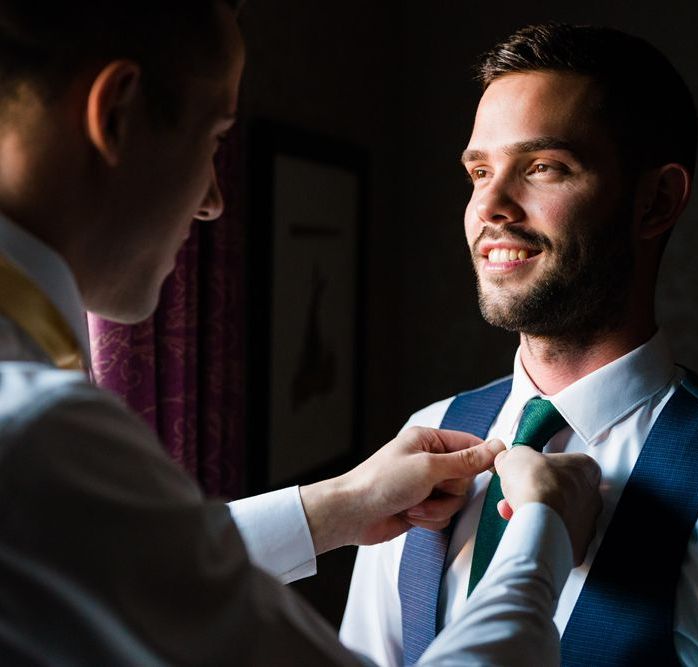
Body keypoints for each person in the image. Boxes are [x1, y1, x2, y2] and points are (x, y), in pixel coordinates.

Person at [0, 2, 604, 664]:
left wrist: (334, 508)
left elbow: (95, 556)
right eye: (214, 139)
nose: (213, 200)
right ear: (115, 113)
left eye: (542, 166)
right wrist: (537, 542)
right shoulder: (36, 430)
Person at [340, 22, 698, 667]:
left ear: (656, 201)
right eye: (479, 171)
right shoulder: (424, 438)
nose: (490, 205)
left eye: (544, 167)